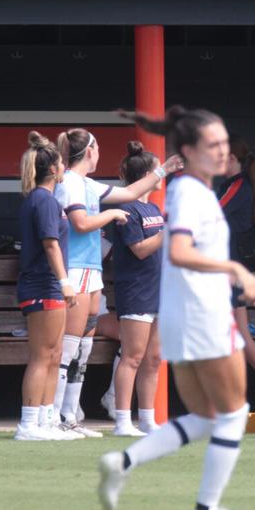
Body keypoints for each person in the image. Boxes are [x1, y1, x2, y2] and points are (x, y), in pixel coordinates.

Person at [99, 105, 255, 510]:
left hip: (186, 315)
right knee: (232, 414)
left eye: (225, 144)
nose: (222, 152)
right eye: (212, 145)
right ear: (191, 150)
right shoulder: (191, 191)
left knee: (209, 418)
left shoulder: (189, 189)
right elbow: (178, 251)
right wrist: (235, 270)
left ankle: (123, 462)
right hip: (202, 314)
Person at [52, 128, 180, 438]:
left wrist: (164, 169)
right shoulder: (68, 182)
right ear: (90, 151)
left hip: (95, 270)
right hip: (76, 269)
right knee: (69, 348)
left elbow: (131, 193)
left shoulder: (90, 185)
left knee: (84, 347)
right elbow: (81, 224)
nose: (100, 153)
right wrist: (112, 217)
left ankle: (70, 416)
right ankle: (54, 416)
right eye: (97, 148)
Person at [14, 132, 77, 441]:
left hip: (49, 286)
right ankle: (28, 425)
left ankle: (46, 422)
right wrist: (66, 283)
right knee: (42, 355)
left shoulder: (44, 199)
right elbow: (50, 245)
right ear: (53, 168)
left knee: (54, 355)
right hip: (43, 285)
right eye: (62, 163)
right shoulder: (43, 200)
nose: (64, 167)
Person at [106, 142, 166, 437]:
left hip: (158, 291)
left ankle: (147, 418)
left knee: (154, 359)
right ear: (146, 174)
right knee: (132, 356)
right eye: (158, 170)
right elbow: (140, 249)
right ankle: (121, 420)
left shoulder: (152, 207)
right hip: (136, 291)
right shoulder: (126, 209)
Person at [218, 136, 255, 387]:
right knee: (239, 337)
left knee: (234, 338)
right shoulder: (236, 185)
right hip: (230, 274)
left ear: (232, 159)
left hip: (229, 275)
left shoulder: (238, 186)